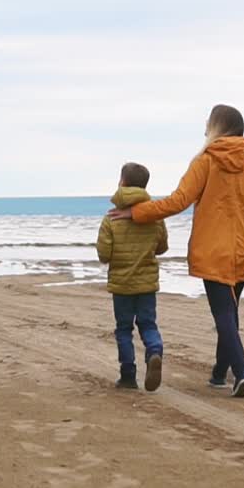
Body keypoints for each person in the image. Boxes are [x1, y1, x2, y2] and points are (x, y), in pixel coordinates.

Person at [108, 104, 244, 398]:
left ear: (218, 127)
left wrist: (135, 213)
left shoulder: (206, 161)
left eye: (208, 123)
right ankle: (219, 373)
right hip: (243, 250)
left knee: (224, 314)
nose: (205, 128)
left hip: (214, 251)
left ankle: (241, 372)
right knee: (230, 311)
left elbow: (178, 201)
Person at [96, 162, 170, 391]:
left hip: (122, 284)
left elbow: (104, 254)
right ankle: (154, 352)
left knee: (124, 329)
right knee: (148, 323)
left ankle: (128, 375)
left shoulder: (111, 218)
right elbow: (162, 246)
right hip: (147, 282)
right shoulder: (155, 215)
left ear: (122, 182)